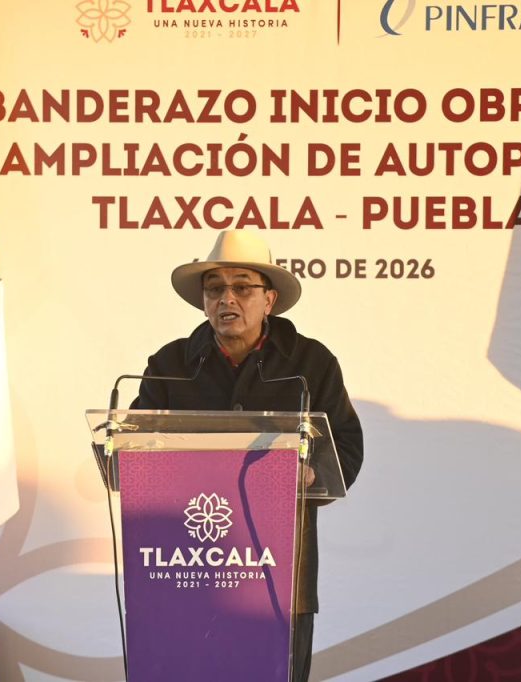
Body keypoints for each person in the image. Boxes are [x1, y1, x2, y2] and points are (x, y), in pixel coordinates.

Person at [131, 230, 364, 682]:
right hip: (185, 566)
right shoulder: (170, 366)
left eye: (242, 287)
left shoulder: (311, 363)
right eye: (215, 288)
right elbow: (134, 448)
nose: (227, 299)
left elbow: (347, 446)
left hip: (278, 568)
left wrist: (311, 474)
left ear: (269, 299)